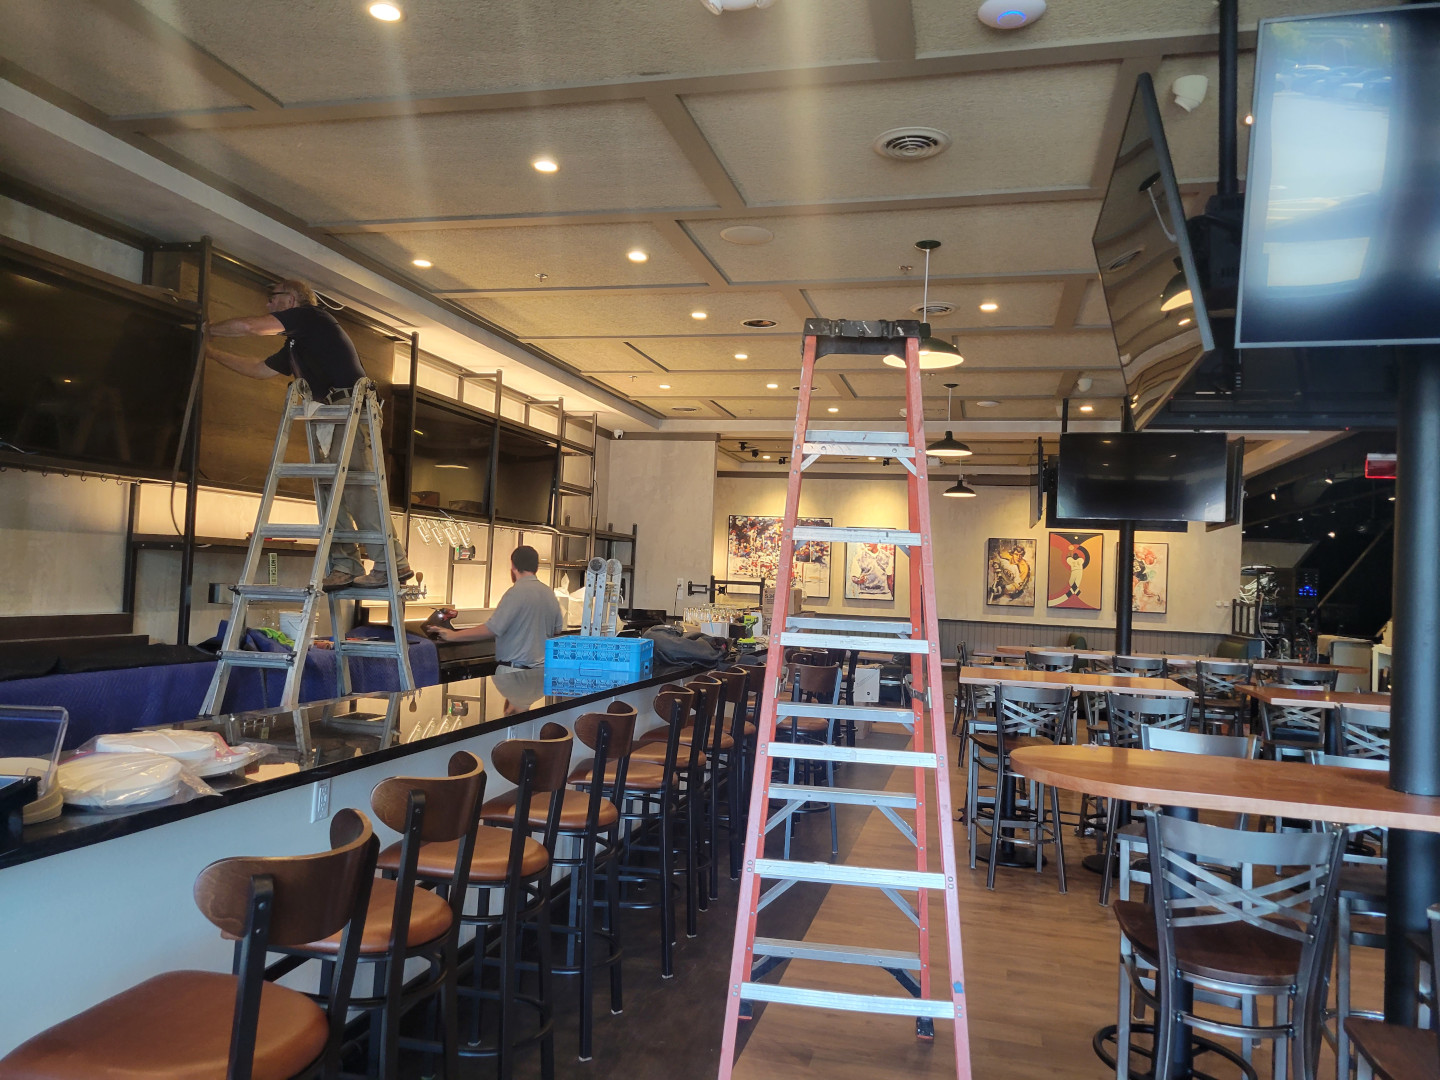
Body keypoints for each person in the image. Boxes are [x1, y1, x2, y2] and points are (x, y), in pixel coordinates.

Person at [205, 278, 411, 591]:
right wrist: (210, 352)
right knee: (330, 489)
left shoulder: (312, 317)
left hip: (350, 405)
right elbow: (259, 369)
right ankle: (345, 565)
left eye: (272, 298)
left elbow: (250, 327)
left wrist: (206, 329)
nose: (268, 305)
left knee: (355, 486)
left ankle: (390, 565)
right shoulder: (296, 344)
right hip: (329, 410)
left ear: (291, 300)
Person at [424, 545, 563, 669]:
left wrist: (453, 636)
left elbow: (491, 630)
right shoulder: (549, 593)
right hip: (541, 673)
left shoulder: (515, 593)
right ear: (536, 567)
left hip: (514, 672)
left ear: (513, 566)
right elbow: (556, 632)